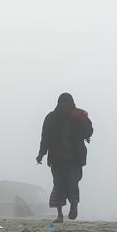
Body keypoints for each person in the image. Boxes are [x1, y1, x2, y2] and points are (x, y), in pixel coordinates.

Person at [36, 93, 93, 222]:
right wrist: (41, 154)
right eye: (63, 102)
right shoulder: (51, 118)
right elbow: (44, 138)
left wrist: (83, 122)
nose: (65, 105)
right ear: (59, 103)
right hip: (56, 159)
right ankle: (60, 215)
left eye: (67, 102)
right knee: (58, 186)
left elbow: (89, 131)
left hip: (75, 159)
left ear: (72, 102)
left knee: (73, 184)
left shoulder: (78, 116)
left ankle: (74, 207)